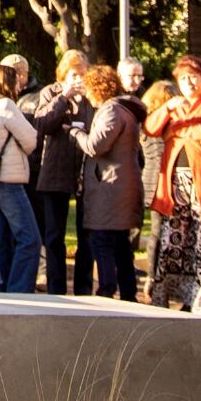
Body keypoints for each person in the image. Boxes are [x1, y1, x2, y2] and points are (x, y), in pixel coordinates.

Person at [145, 55, 201, 322]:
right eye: (183, 79)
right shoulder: (174, 106)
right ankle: (172, 298)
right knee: (175, 241)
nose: (189, 83)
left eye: (194, 77)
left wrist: (176, 129)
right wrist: (168, 110)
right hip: (175, 186)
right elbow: (151, 128)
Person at [69, 64, 145, 299]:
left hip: (111, 187)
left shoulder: (112, 111)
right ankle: (128, 294)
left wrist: (75, 133)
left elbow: (95, 145)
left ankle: (106, 291)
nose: (88, 95)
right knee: (121, 244)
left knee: (102, 240)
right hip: (119, 185)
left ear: (98, 89)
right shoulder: (125, 109)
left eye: (90, 90)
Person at [0, 63, 42, 292]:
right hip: (9, 181)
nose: (20, 84)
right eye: (16, 80)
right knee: (30, 239)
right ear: (8, 82)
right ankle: (19, 291)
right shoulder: (6, 105)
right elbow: (31, 140)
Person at [32, 50, 92, 295]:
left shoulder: (90, 98)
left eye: (83, 75)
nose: (79, 80)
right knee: (54, 234)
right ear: (64, 75)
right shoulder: (51, 93)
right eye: (75, 75)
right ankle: (56, 288)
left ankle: (84, 288)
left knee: (86, 233)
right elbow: (41, 124)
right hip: (55, 171)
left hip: (85, 171)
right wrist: (64, 98)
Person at [140, 79, 176, 293]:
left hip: (150, 180)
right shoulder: (163, 126)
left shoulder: (145, 124)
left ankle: (152, 276)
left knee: (156, 232)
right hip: (164, 182)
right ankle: (157, 277)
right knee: (164, 232)